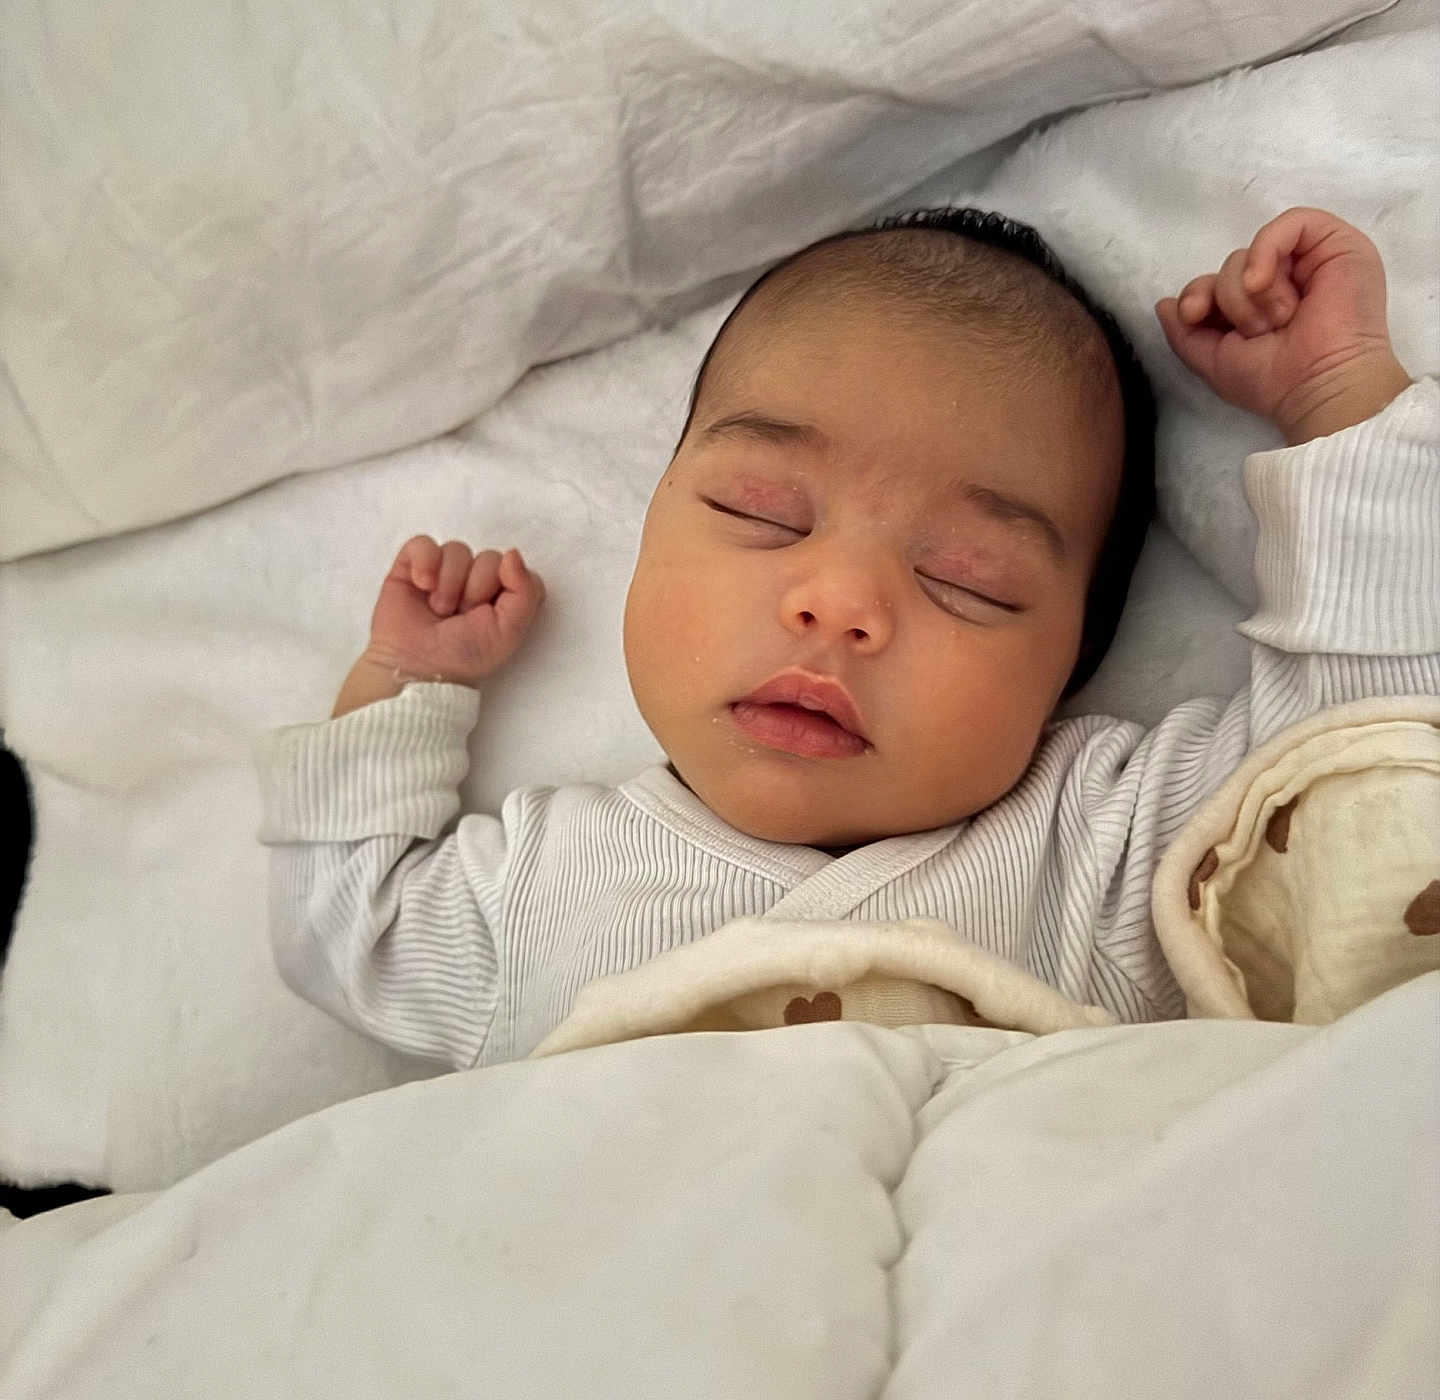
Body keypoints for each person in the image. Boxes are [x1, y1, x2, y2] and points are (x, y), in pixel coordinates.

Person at [256, 205, 1437, 1068]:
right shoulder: (543, 887)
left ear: (1068, 665)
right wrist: (406, 687)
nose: (840, 603)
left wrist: (1340, 401)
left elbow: (1362, 754)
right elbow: (343, 925)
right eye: (760, 512)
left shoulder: (1111, 843)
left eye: (964, 581)